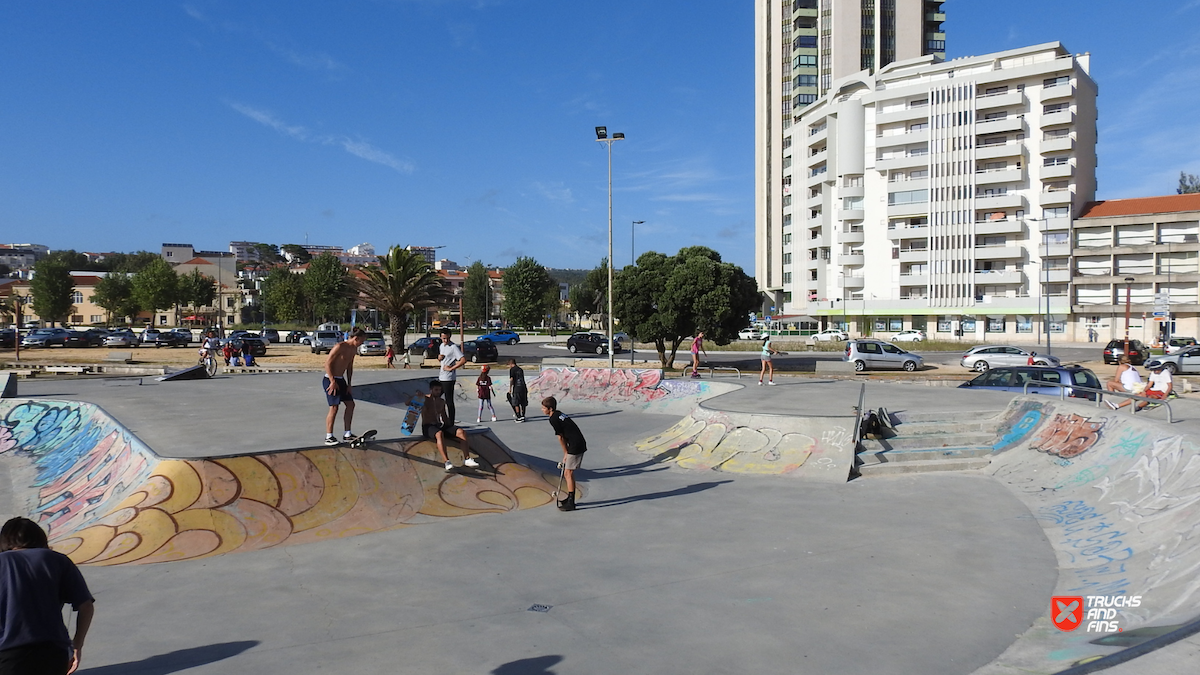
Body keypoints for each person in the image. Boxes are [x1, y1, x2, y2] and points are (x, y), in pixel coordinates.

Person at [0, 517, 94, 675]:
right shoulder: (58, 560)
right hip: (53, 651)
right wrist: (77, 645)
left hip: (8, 653)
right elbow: (86, 606)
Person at [322, 327, 367, 445]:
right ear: (356, 338)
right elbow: (327, 364)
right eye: (362, 341)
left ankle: (347, 434)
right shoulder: (340, 346)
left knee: (350, 405)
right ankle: (329, 436)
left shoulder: (353, 349)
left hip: (341, 380)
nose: (362, 343)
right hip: (330, 379)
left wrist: (349, 384)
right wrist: (332, 381)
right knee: (334, 407)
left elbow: (349, 367)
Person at [541, 396, 587, 511]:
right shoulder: (558, 414)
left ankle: (571, 502)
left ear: (550, 409)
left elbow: (560, 438)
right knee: (568, 472)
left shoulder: (553, 419)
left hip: (575, 445)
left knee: (568, 473)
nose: (542, 410)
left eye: (543, 408)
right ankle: (569, 498)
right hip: (577, 442)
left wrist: (566, 452)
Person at [423, 380, 479, 472]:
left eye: (439, 390)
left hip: (439, 425)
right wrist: (417, 396)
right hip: (428, 427)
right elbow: (408, 403)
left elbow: (444, 417)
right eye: (436, 390)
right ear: (431, 389)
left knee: (461, 432)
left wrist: (451, 427)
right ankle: (447, 462)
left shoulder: (441, 401)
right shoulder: (424, 399)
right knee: (439, 433)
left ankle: (467, 459)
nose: (438, 392)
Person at [437, 329, 466, 425]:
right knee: (436, 397)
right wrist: (439, 358)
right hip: (441, 376)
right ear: (441, 337)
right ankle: (441, 418)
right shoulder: (442, 346)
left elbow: (463, 360)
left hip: (449, 378)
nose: (446, 340)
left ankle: (451, 422)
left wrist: (451, 368)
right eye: (444, 338)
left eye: (448, 338)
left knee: (449, 400)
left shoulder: (453, 347)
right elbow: (442, 359)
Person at [508, 358, 528, 423]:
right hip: (523, 387)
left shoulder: (512, 370)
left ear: (511, 364)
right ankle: (523, 416)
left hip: (517, 388)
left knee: (516, 403)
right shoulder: (520, 369)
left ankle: (519, 417)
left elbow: (511, 379)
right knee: (523, 403)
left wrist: (510, 389)